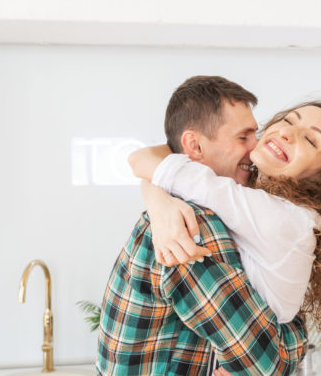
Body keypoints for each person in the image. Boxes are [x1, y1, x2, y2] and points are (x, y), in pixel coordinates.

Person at [130, 99, 321, 376]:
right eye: (288, 121)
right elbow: (161, 167)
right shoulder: (264, 202)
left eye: (310, 140)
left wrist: (159, 204)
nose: (287, 133)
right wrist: (159, 205)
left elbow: (146, 162)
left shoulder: (285, 219)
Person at [96, 76, 308, 376]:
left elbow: (278, 319)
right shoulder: (192, 225)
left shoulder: (202, 213)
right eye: (243, 137)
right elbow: (267, 365)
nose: (256, 148)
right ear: (194, 145)